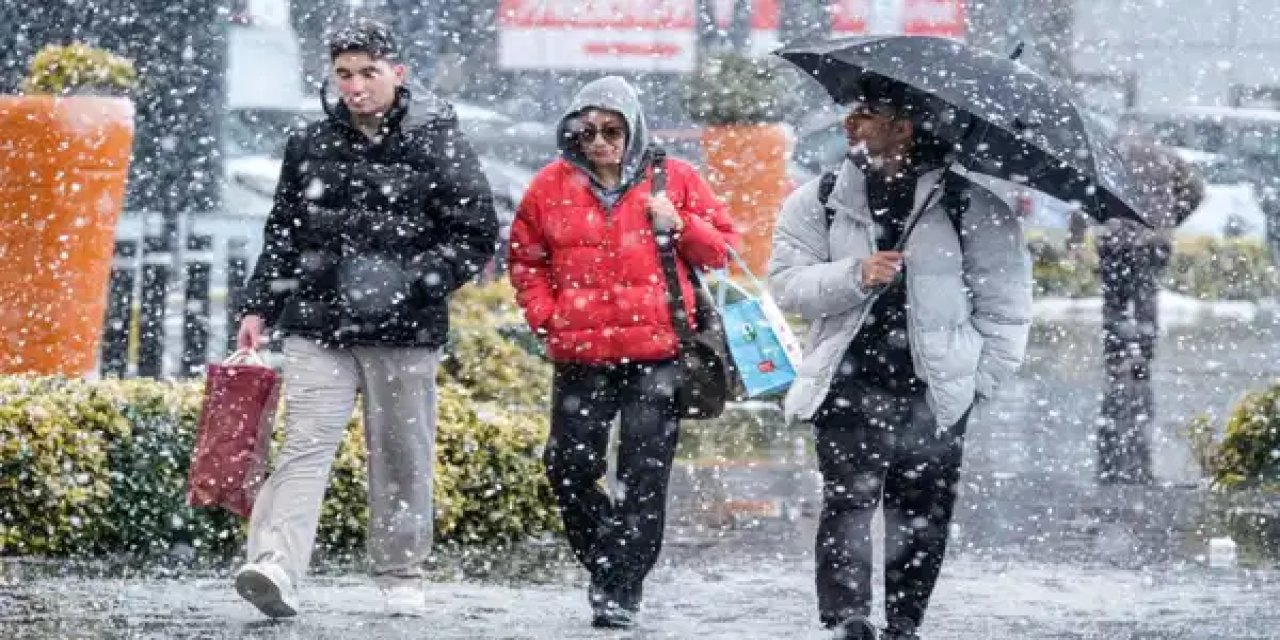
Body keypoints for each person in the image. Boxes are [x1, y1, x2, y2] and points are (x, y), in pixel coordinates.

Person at [231, 18, 497, 619]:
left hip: (405, 331)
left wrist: (413, 283)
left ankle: (402, 571)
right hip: (318, 324)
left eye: (368, 73)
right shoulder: (310, 142)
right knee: (302, 448)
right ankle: (275, 564)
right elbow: (284, 232)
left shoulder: (438, 138)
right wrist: (259, 306)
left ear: (398, 73)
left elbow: (477, 231)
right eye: (344, 74)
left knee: (402, 453)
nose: (355, 86)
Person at [768, 89, 1033, 640]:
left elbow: (1007, 310)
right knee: (848, 502)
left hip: (934, 391)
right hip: (847, 382)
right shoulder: (819, 199)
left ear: (904, 127)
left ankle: (905, 624)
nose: (850, 122)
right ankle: (847, 620)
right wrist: (854, 275)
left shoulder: (972, 207)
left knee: (922, 512)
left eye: (866, 114)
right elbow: (787, 286)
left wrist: (975, 386)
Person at [507, 76, 738, 629]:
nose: (600, 142)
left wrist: (679, 223)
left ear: (633, 129)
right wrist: (547, 316)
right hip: (581, 354)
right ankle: (611, 560)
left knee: (644, 475)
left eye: (612, 130)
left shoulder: (675, 179)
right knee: (567, 467)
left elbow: (723, 249)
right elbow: (526, 259)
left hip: (658, 354)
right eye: (586, 132)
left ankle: (620, 588)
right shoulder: (549, 186)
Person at [1067, 135, 1204, 484]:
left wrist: (1077, 235)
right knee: (1146, 298)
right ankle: (1142, 354)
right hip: (1153, 237)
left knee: (1114, 300)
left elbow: (1085, 195)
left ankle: (1116, 356)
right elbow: (1196, 192)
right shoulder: (1169, 156)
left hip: (1115, 238)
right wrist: (1172, 216)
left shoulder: (1109, 153)